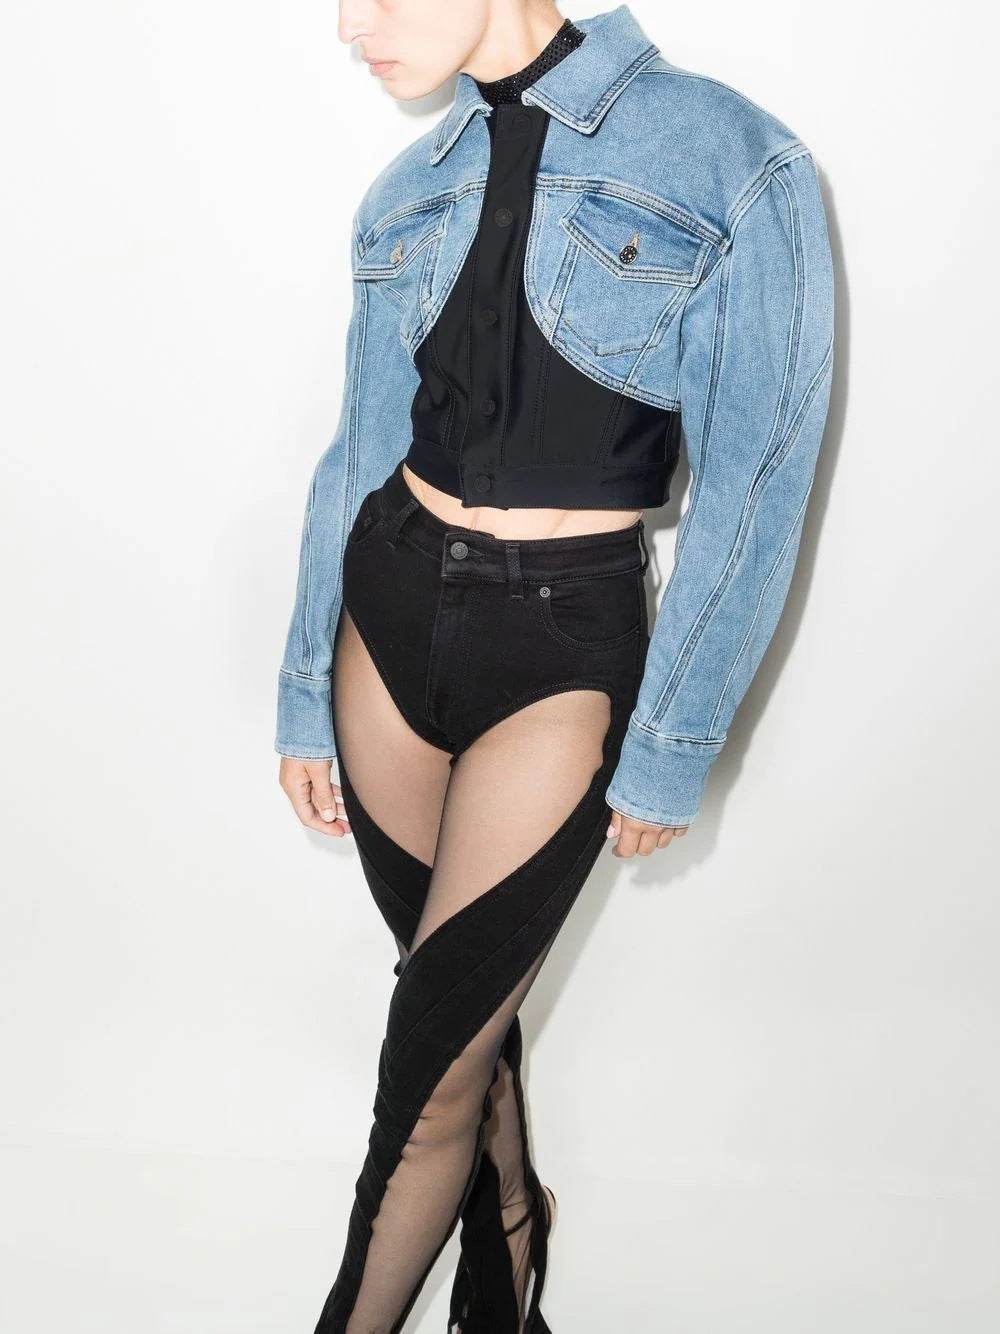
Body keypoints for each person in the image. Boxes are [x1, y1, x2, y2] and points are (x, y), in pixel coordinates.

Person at [275, 3, 834, 1329]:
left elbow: (759, 476)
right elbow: (355, 455)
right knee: (452, 1016)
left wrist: (673, 737)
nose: (350, 24)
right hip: (386, 621)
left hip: (562, 650)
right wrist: (304, 686)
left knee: (420, 1088)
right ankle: (513, 1244)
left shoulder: (735, 159)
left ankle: (463, 1265)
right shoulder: (403, 191)